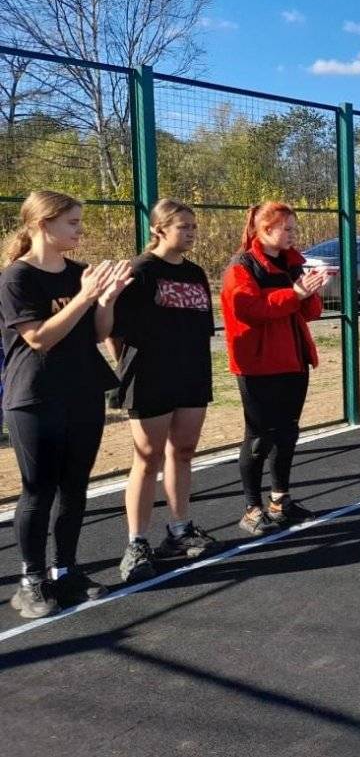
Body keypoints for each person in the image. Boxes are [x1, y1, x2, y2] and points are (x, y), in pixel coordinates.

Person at [1, 190, 131, 618]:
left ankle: (67, 570)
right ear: (43, 224)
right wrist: (83, 296)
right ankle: (31, 580)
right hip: (35, 396)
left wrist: (105, 301)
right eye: (72, 222)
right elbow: (39, 338)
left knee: (75, 487)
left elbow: (96, 334)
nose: (80, 229)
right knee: (39, 490)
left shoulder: (79, 273)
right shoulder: (17, 277)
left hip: (83, 392)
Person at [110, 199, 217, 585]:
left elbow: (203, 327)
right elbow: (116, 333)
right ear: (159, 229)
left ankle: (180, 528)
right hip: (150, 377)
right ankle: (136, 542)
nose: (190, 232)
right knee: (147, 458)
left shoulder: (196, 273)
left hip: (191, 375)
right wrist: (130, 370)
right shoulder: (140, 271)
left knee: (183, 452)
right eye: (183, 226)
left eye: (193, 226)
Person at [221, 202, 332, 536]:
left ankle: (280, 499)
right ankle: (251, 508)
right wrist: (294, 293)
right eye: (287, 229)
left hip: (293, 361)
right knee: (258, 437)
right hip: (257, 365)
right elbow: (249, 308)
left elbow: (309, 313)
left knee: (287, 433)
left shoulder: (293, 263)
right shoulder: (243, 266)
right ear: (265, 229)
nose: (292, 235)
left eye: (293, 229)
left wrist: (311, 292)